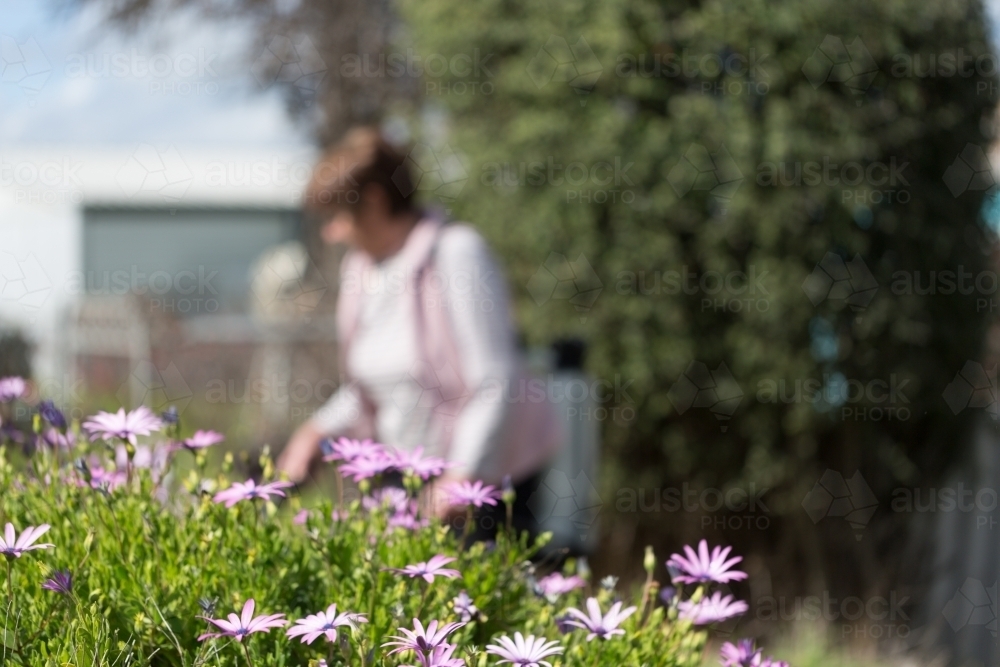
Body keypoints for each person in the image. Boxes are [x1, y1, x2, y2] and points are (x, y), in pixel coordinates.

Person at [276, 127, 563, 532]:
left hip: (483, 477)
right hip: (407, 474)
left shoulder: (457, 253)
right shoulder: (360, 270)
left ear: (374, 203)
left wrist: (460, 479)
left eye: (338, 216)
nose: (332, 232)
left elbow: (496, 380)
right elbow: (370, 387)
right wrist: (317, 431)